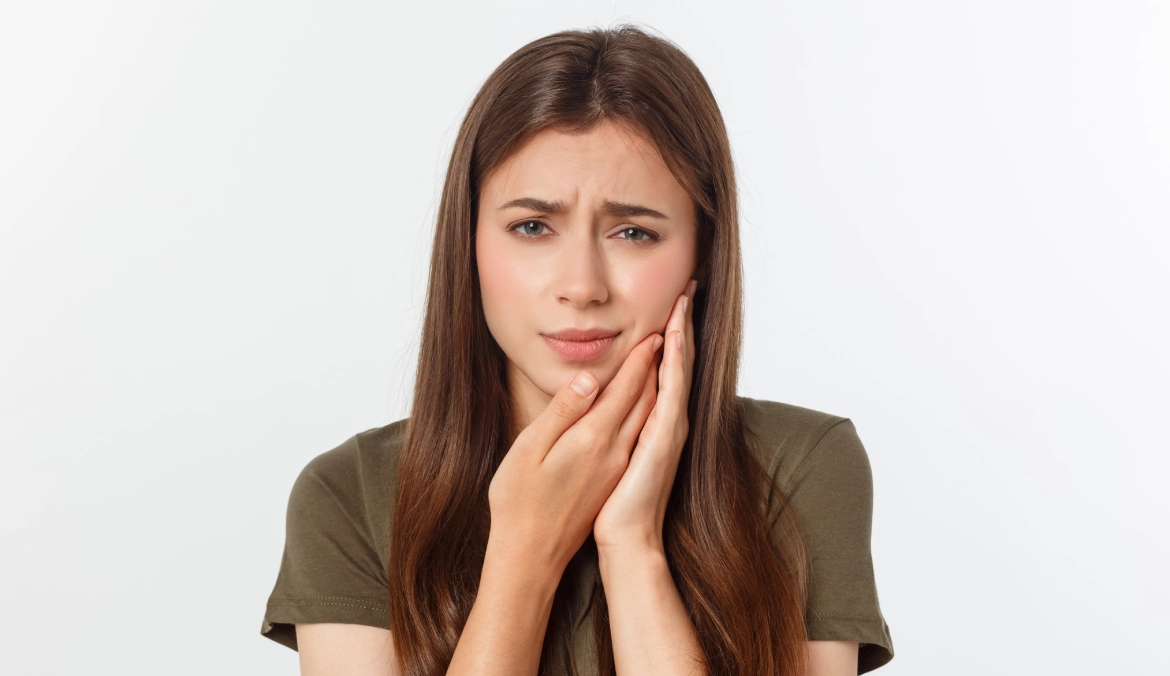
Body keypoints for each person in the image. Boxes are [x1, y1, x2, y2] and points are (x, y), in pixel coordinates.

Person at [260, 24, 894, 676]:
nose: (582, 286)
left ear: (702, 251)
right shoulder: (350, 498)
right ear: (469, 242)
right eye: (532, 227)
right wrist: (525, 551)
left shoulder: (801, 471)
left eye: (633, 231)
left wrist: (632, 545)